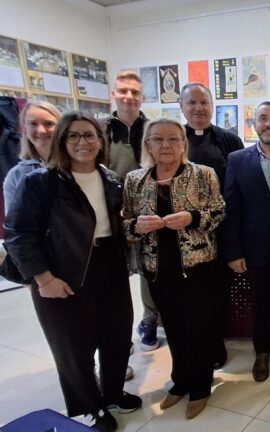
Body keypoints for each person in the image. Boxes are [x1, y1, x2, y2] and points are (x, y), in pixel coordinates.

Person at [4, 112, 140, 432]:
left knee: (117, 337)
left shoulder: (111, 179)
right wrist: (44, 278)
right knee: (74, 347)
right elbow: (17, 234)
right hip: (63, 271)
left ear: (100, 141)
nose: (83, 142)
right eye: (74, 136)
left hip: (109, 266)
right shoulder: (41, 181)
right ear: (62, 141)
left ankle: (113, 392)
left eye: (90, 135)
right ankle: (90, 407)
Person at [122, 117, 225, 420]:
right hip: (158, 270)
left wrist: (193, 218)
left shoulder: (203, 174)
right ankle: (180, 382)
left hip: (199, 268)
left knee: (199, 329)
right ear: (148, 145)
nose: (166, 145)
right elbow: (125, 225)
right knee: (175, 330)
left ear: (183, 144)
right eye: (158, 139)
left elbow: (219, 212)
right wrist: (137, 225)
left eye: (173, 139)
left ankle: (201, 387)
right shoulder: (134, 180)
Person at [223, 101, 270, 382]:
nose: (269, 124)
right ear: (253, 124)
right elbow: (231, 209)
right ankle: (263, 353)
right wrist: (234, 251)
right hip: (254, 250)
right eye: (263, 119)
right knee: (261, 304)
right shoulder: (236, 160)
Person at [180, 82, 244, 368]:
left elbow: (238, 187)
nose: (198, 108)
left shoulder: (229, 140)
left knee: (216, 293)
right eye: (191, 103)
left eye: (204, 103)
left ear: (213, 106)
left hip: (219, 231)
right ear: (181, 107)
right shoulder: (173, 139)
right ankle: (189, 346)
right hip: (179, 235)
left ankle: (216, 343)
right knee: (185, 296)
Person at [105, 70, 161, 353]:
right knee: (114, 276)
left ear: (142, 97)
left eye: (134, 92)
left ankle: (149, 321)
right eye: (123, 91)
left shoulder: (152, 129)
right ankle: (117, 334)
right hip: (110, 215)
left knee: (149, 270)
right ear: (113, 93)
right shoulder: (103, 130)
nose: (128, 96)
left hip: (147, 214)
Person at [3, 101, 61, 213]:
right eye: (33, 124)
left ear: (61, 127)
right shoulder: (16, 176)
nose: (41, 130)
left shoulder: (79, 165)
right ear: (25, 128)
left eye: (48, 124)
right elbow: (14, 225)